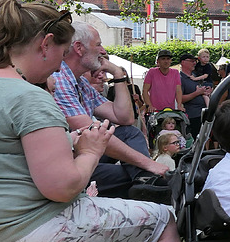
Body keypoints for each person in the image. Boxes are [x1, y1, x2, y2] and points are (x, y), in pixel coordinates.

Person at [0, 0, 186, 242]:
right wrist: (91, 151)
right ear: (45, 44)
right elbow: (63, 187)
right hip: (25, 230)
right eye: (61, 52)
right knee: (164, 220)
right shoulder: (30, 98)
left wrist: (69, 142)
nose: (59, 65)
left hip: (6, 223)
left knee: (95, 215)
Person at [51, 23, 168, 197]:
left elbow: (125, 118)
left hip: (84, 154)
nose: (103, 50)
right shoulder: (59, 80)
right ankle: (147, 187)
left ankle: (145, 182)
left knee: (130, 133)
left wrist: (118, 74)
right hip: (66, 167)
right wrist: (148, 164)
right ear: (79, 48)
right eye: (98, 44)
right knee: (136, 176)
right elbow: (93, 132)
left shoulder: (80, 83)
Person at [142, 49, 184, 114]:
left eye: (168, 59)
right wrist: (149, 105)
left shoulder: (175, 72)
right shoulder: (152, 72)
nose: (166, 61)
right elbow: (145, 90)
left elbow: (178, 90)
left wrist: (179, 105)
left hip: (170, 110)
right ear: (158, 61)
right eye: (163, 59)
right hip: (154, 110)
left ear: (171, 61)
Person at [179, 53, 209, 137]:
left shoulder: (195, 76)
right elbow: (180, 98)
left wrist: (205, 91)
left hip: (202, 114)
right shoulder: (180, 78)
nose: (195, 63)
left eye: (195, 61)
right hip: (192, 116)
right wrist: (197, 93)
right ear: (183, 62)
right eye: (192, 61)